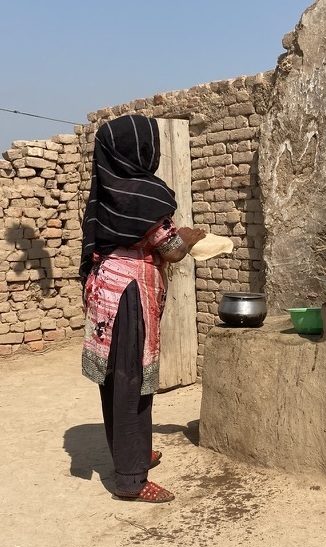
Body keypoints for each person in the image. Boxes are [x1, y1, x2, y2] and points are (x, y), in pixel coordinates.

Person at [79, 114, 205, 503]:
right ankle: (131, 479)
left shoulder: (105, 191)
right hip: (131, 295)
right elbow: (170, 249)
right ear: (140, 149)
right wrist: (188, 236)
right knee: (132, 379)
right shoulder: (145, 193)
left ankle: (132, 452)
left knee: (117, 377)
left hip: (106, 291)